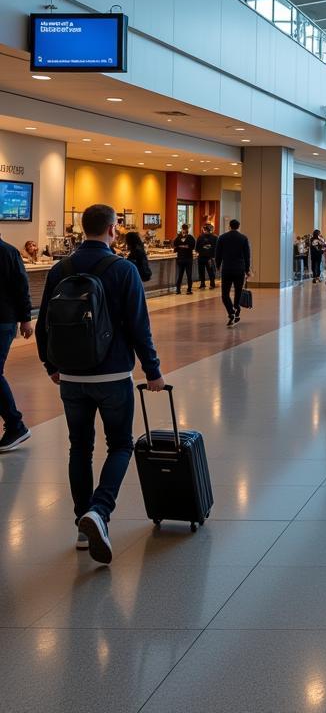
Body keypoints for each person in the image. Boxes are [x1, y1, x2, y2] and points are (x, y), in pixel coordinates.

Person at [36, 204, 164, 563]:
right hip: (113, 374)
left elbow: (45, 320)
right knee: (121, 444)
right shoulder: (123, 270)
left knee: (80, 447)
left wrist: (51, 365)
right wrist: (152, 370)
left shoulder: (60, 269)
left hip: (71, 376)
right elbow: (140, 326)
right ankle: (100, 511)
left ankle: (82, 524)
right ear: (113, 230)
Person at [0, 230, 33, 453]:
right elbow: (21, 286)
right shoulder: (10, 252)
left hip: (3, 320)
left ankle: (15, 424)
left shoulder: (8, 252)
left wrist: (25, 319)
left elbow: (21, 288)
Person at [214, 218, 251, 327]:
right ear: (238, 227)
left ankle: (231, 312)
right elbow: (247, 256)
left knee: (225, 294)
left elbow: (218, 254)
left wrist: (217, 266)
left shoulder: (222, 238)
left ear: (229, 226)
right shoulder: (243, 238)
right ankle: (236, 309)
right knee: (238, 291)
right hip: (239, 269)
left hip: (227, 269)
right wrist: (247, 269)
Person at [173, 223, 196, 295]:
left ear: (187, 230)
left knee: (188, 275)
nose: (184, 230)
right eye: (183, 229)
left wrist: (181, 246)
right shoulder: (178, 237)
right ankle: (178, 289)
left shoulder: (190, 238)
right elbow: (175, 246)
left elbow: (191, 247)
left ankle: (188, 289)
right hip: (181, 258)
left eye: (185, 229)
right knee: (180, 274)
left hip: (187, 258)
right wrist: (184, 246)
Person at [196, 223, 218, 290]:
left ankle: (207, 284)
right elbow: (197, 247)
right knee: (206, 271)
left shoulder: (213, 237)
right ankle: (207, 284)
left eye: (205, 229)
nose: (204, 231)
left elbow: (197, 248)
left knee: (207, 271)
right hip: (205, 257)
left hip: (206, 257)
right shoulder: (214, 237)